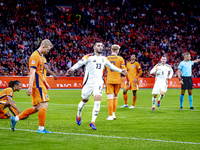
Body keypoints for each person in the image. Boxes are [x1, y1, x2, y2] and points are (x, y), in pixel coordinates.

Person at [67, 41, 127, 130]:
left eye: (102, 46)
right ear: (94, 47)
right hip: (88, 84)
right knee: (83, 102)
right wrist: (72, 69)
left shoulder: (104, 58)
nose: (101, 47)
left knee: (97, 101)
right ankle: (79, 113)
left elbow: (111, 66)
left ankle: (93, 121)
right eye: (98, 46)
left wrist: (121, 71)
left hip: (98, 83)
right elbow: (80, 63)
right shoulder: (88, 57)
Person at [10, 39, 53, 133]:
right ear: (43, 47)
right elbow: (32, 73)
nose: (48, 52)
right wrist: (30, 87)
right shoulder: (35, 56)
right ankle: (41, 129)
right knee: (44, 105)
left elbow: (40, 72)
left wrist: (45, 82)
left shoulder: (40, 56)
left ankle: (15, 118)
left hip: (40, 84)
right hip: (37, 85)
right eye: (48, 49)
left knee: (37, 108)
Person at [104, 44, 127, 120]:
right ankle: (113, 114)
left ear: (111, 50)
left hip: (109, 80)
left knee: (109, 98)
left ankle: (110, 115)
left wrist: (102, 79)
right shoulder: (120, 58)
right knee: (115, 97)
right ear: (117, 51)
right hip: (118, 80)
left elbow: (103, 70)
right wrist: (127, 78)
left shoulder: (106, 58)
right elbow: (124, 70)